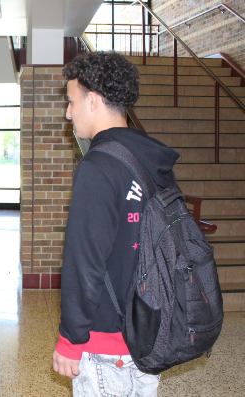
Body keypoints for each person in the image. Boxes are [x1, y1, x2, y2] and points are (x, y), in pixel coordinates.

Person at [52, 52, 179, 396]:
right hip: (148, 332)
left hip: (105, 343)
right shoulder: (152, 161)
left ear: (92, 101)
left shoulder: (97, 167)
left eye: (71, 101)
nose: (68, 112)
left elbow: (85, 260)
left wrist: (71, 338)